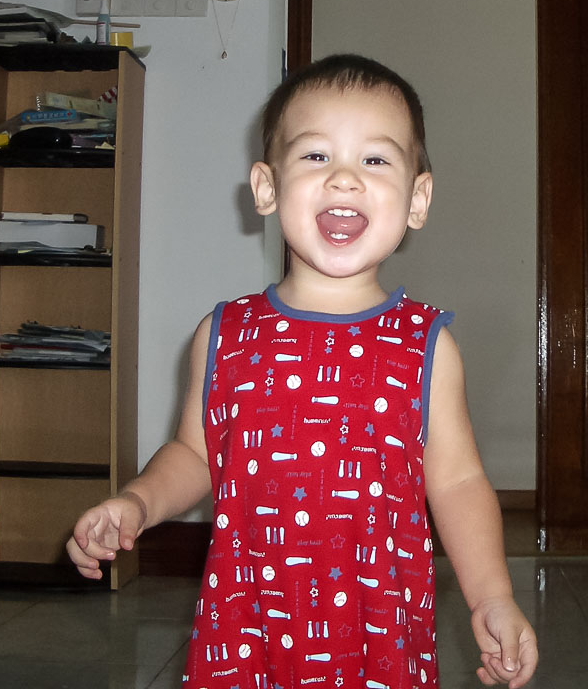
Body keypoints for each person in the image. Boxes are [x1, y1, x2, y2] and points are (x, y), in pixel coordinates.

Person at [67, 54, 538, 688]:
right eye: (316, 155)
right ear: (267, 187)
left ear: (418, 199)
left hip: (379, 633)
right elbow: (196, 453)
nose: (344, 178)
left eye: (376, 160)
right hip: (246, 627)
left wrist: (493, 596)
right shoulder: (225, 336)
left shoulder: (426, 347)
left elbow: (457, 482)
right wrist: (138, 502)